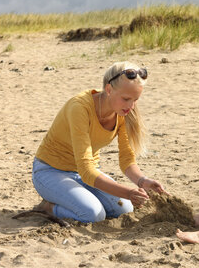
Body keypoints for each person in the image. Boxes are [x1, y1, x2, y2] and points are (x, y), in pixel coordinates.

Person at [31, 61, 167, 223]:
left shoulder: (122, 112)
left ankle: (76, 200)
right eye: (126, 99)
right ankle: (49, 207)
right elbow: (87, 170)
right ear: (109, 89)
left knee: (124, 208)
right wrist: (128, 193)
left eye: (135, 100)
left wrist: (142, 181)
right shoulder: (79, 107)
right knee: (93, 215)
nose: (131, 106)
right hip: (50, 171)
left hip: (84, 174)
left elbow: (126, 160)